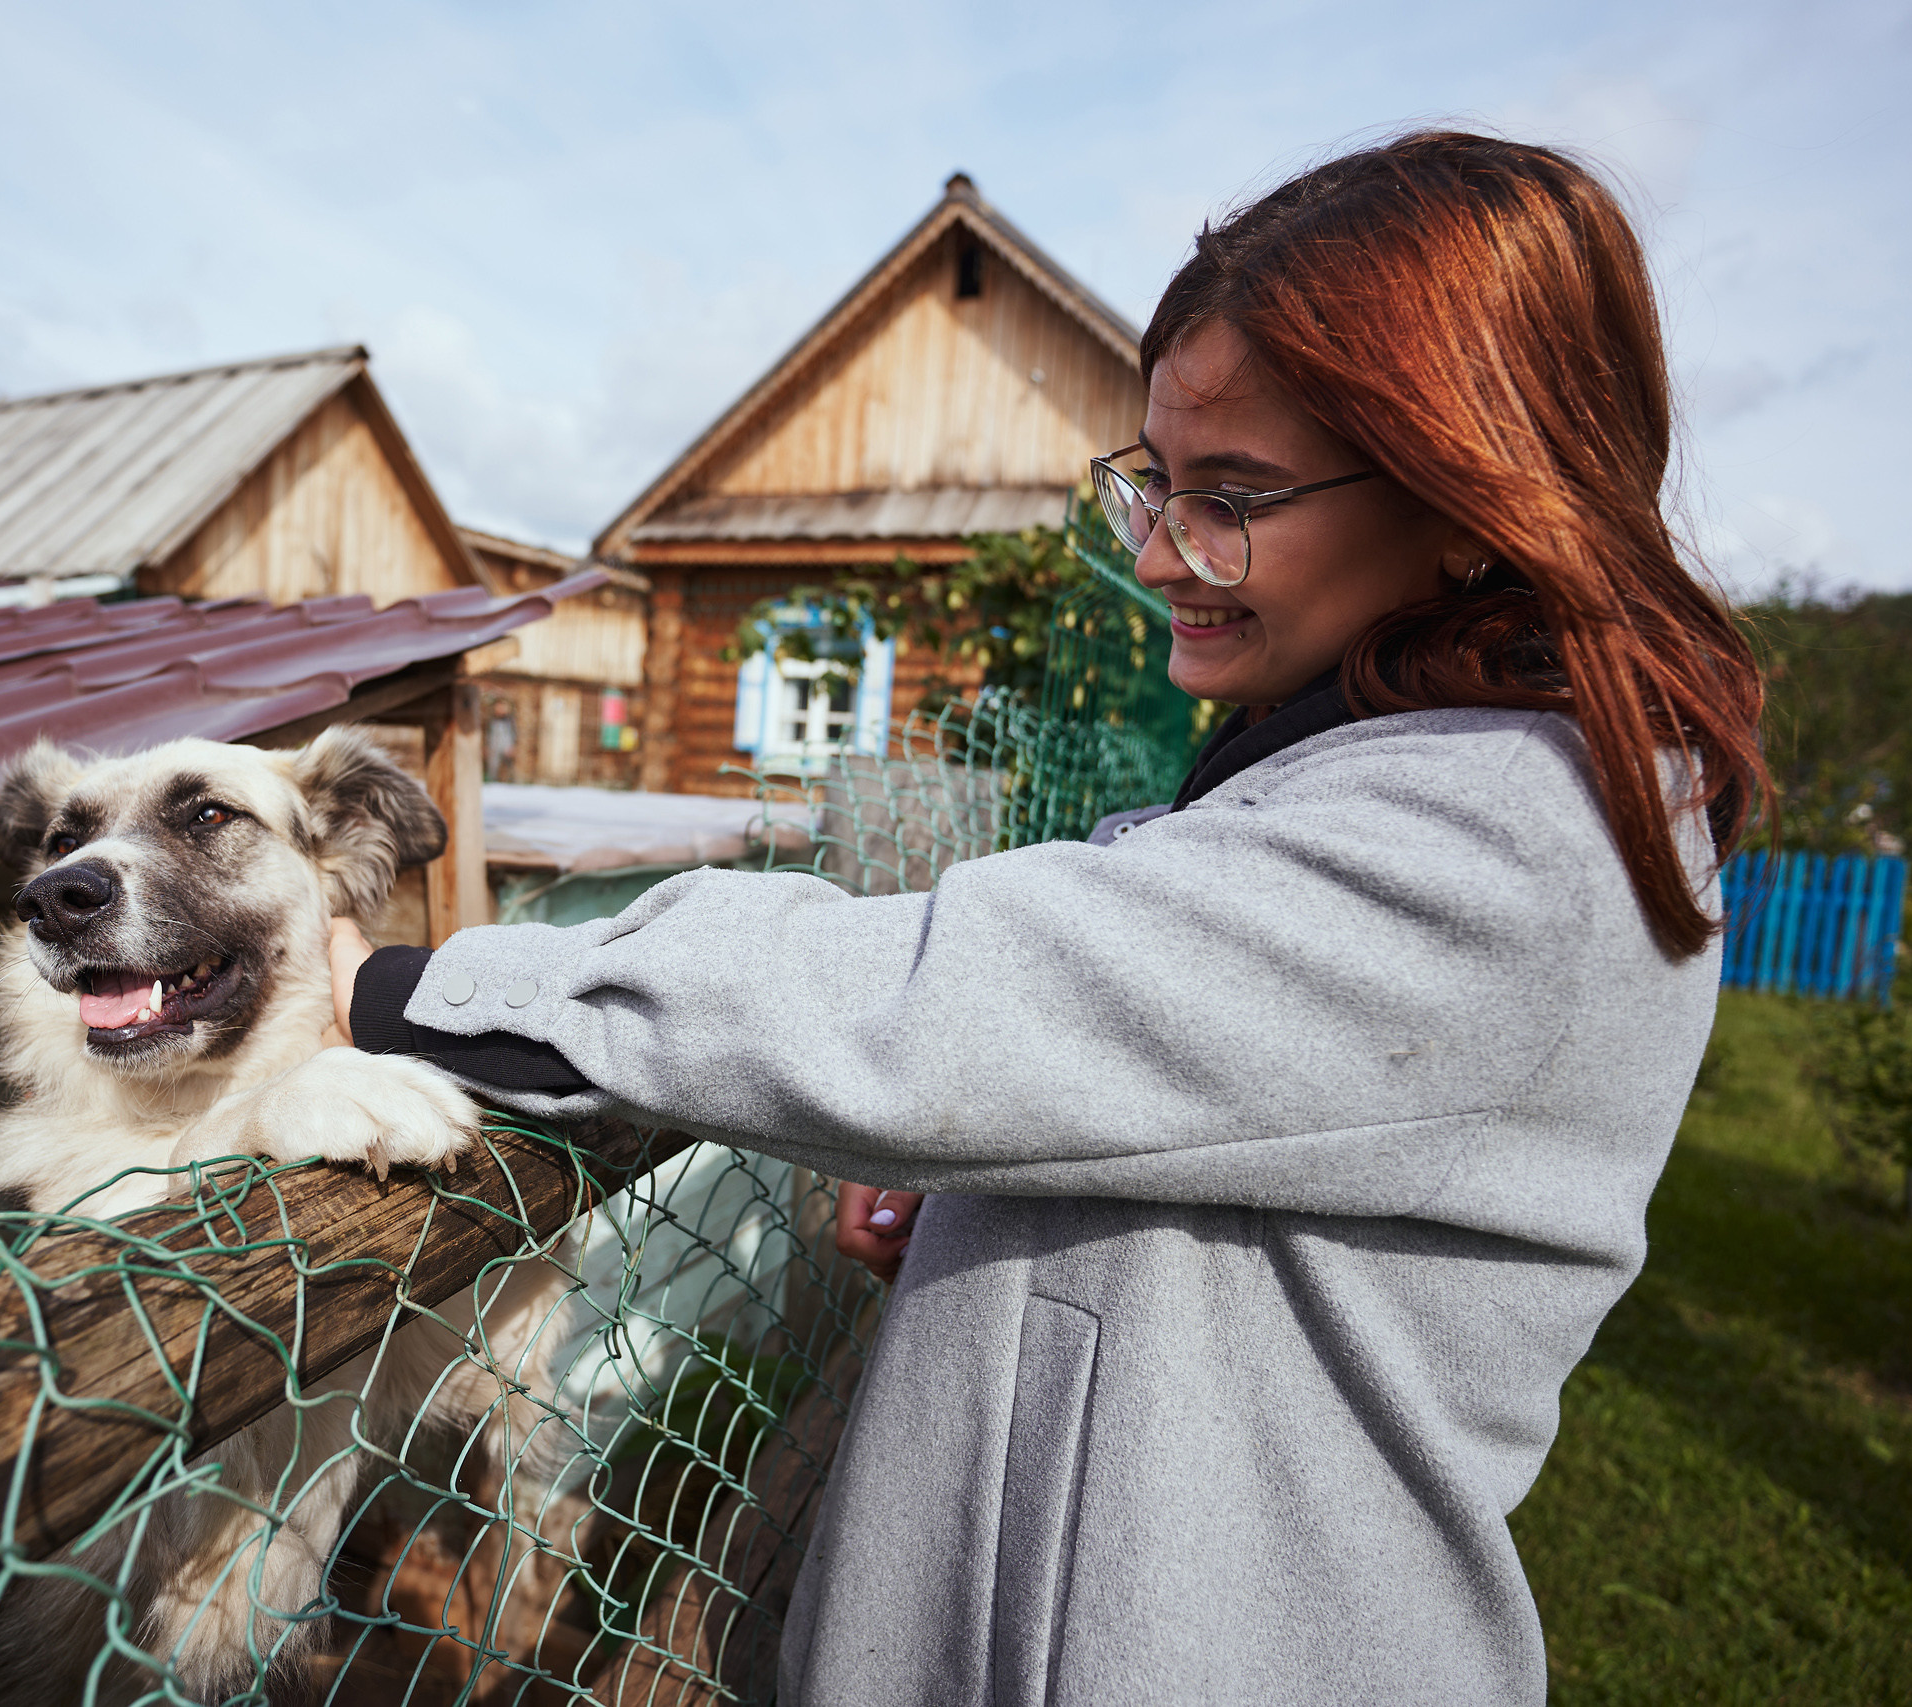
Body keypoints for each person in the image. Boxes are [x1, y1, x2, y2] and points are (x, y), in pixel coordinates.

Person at [324, 132, 1764, 1705]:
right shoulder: (1388, 770)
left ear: (1475, 495)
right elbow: (1240, 1132)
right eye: (1155, 483)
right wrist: (1013, 1227)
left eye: (1233, 500)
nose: (1161, 558)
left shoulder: (1502, 838)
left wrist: (404, 987)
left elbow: (946, 999)